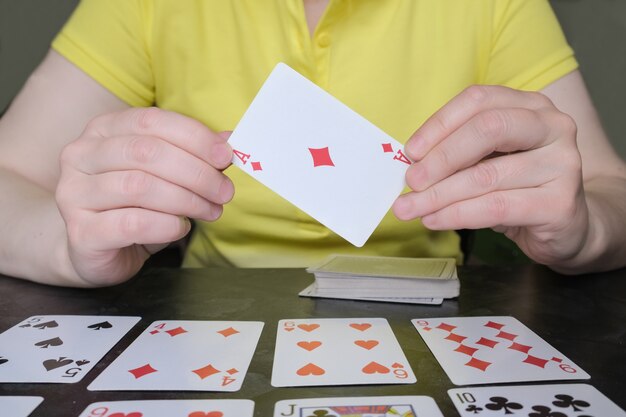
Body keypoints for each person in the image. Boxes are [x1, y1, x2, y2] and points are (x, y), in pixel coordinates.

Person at [0, 0, 625, 288]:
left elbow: (608, 188)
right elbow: (10, 174)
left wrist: (586, 229)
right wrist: (65, 245)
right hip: (209, 328)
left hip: (426, 323)